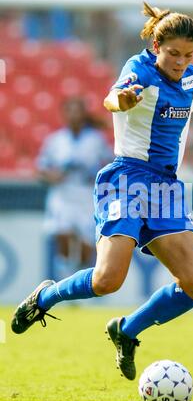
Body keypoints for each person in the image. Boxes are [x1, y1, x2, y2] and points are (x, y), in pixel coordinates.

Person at [11, 2, 193, 381]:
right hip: (127, 179)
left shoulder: (191, 79)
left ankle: (126, 331)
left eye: (188, 55)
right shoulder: (138, 69)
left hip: (166, 188)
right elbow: (114, 97)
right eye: (173, 54)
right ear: (156, 46)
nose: (180, 62)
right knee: (107, 281)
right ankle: (44, 298)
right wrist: (121, 101)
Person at [36, 97, 113, 280]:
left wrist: (99, 175)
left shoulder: (96, 139)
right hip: (63, 193)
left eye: (77, 110)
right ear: (64, 115)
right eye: (69, 111)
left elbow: (110, 163)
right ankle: (64, 275)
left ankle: (78, 275)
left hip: (87, 194)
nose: (73, 115)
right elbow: (41, 168)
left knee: (87, 245)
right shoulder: (55, 140)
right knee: (62, 232)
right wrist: (52, 176)